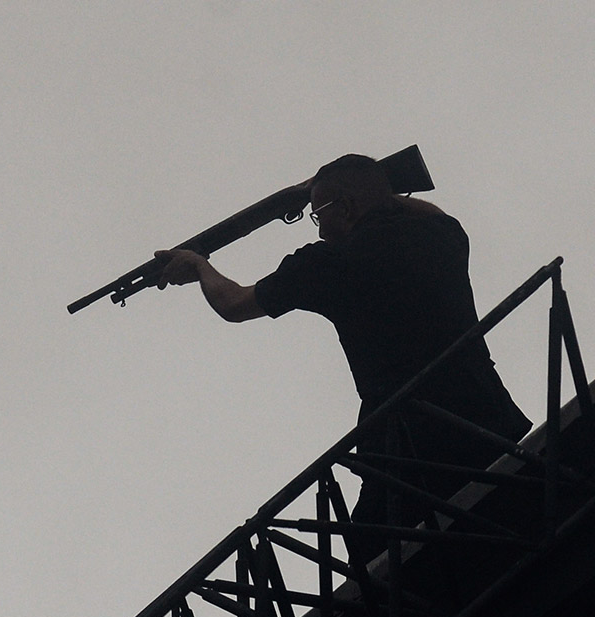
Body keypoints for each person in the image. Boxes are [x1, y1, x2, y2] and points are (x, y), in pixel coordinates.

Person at [155, 154, 531, 560]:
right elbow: (423, 210)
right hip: (488, 420)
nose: (319, 231)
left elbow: (234, 304)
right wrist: (324, 192)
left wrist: (200, 266)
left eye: (319, 215)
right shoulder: (443, 234)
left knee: (377, 577)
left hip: (405, 450)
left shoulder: (326, 263)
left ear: (347, 208)